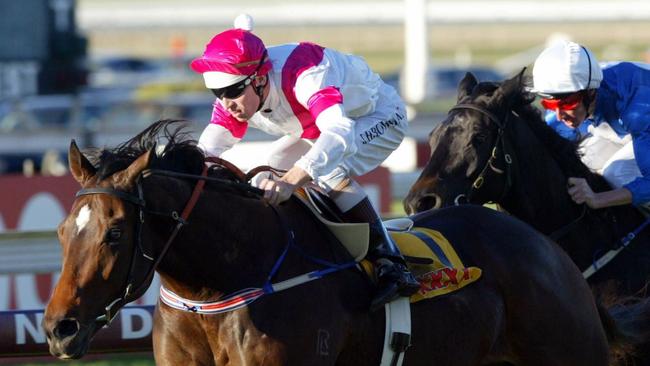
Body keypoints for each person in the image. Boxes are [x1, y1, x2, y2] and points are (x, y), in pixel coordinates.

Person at [189, 15, 420, 309]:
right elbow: (209, 148)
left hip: (377, 118)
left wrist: (291, 181)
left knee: (325, 169)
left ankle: (392, 263)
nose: (226, 103)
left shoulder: (304, 73)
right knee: (273, 162)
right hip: (317, 128)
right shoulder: (238, 89)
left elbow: (339, 132)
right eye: (217, 94)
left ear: (259, 79)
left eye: (233, 92)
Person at [531, 40, 650, 210]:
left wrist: (598, 199)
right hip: (629, 131)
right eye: (550, 105)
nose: (559, 115)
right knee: (583, 161)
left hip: (642, 119)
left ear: (591, 93)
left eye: (567, 105)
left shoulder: (637, 105)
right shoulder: (575, 92)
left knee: (617, 173)